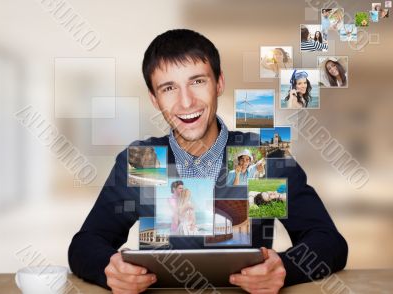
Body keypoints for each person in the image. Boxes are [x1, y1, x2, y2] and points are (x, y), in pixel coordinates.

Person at [68, 29, 348, 293]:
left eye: (197, 81)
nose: (186, 102)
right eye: (168, 88)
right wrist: (109, 268)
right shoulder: (146, 160)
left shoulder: (263, 156)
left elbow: (327, 241)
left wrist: (284, 269)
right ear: (154, 99)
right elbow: (85, 245)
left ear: (219, 83)